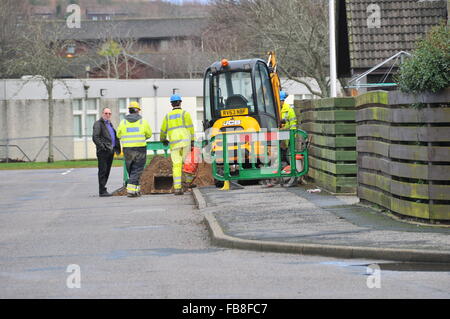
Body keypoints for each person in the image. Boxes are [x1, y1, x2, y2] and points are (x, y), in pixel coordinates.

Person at [160, 94, 195, 195]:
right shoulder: (185, 114)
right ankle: (188, 183)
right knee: (187, 163)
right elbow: (191, 128)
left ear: (171, 104)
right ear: (180, 102)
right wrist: (192, 141)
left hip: (174, 145)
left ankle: (177, 188)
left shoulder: (167, 116)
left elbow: (163, 131)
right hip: (186, 143)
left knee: (176, 165)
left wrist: (163, 140)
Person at [117, 101, 152, 197]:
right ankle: (131, 190)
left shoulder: (123, 122)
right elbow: (149, 134)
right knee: (137, 169)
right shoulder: (143, 122)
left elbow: (118, 134)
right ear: (138, 111)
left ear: (129, 110)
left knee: (131, 169)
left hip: (127, 149)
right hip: (140, 148)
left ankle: (136, 190)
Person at [92, 107, 121, 197]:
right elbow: (95, 137)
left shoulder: (110, 124)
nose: (108, 115)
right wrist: (103, 147)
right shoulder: (98, 124)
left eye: (109, 113)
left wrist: (116, 147)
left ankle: (103, 188)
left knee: (107, 171)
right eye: (106, 113)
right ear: (102, 114)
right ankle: (102, 190)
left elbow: (113, 136)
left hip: (110, 151)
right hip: (103, 151)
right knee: (103, 170)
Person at [279, 91, 299, 188]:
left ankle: (292, 178)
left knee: (289, 158)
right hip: (278, 139)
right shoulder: (274, 108)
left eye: (281, 100)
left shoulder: (289, 110)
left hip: (287, 139)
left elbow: (293, 123)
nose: (280, 102)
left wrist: (292, 137)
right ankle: (281, 179)